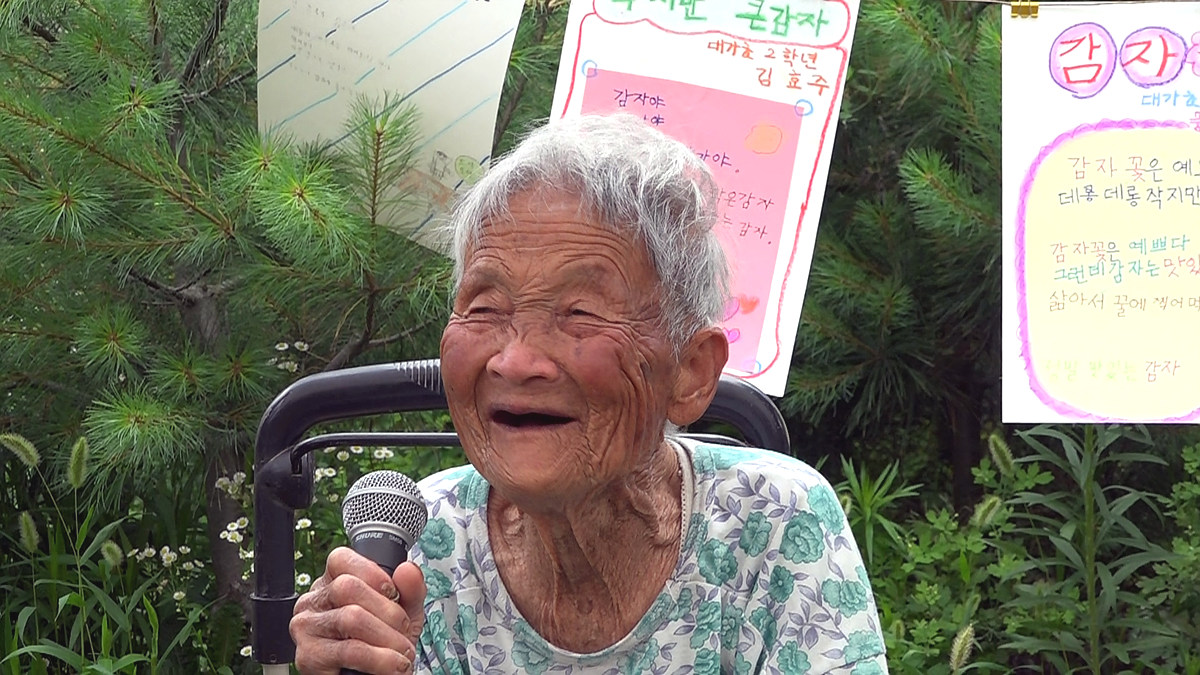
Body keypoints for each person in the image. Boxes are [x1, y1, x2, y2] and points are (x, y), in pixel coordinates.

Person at [289, 114, 888, 674]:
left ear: (690, 370)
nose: (515, 359)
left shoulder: (776, 523)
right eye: (485, 307)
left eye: (580, 312)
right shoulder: (426, 545)